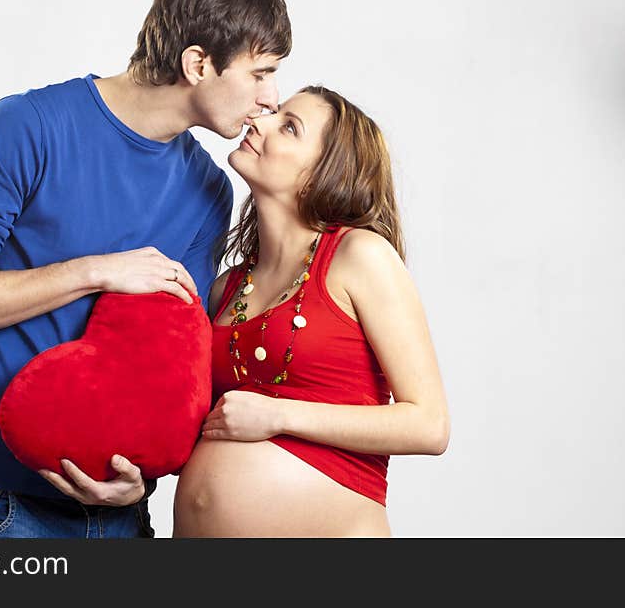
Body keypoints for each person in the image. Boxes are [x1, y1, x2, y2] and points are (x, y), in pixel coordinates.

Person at [0, 0, 291, 538]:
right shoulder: (27, 126)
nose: (271, 97)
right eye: (260, 73)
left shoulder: (210, 190)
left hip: (120, 508)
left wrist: (144, 477)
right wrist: (96, 272)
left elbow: (167, 357)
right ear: (197, 64)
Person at [173, 86, 450, 537]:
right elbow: (201, 422)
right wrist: (136, 478)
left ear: (324, 173)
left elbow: (429, 424)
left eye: (288, 127)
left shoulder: (360, 257)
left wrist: (280, 416)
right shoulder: (226, 289)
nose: (258, 122)